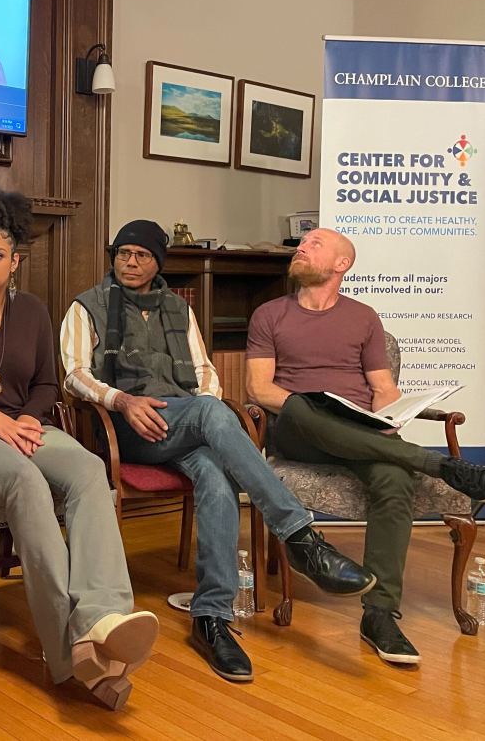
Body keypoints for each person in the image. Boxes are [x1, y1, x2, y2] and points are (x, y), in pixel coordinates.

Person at [60, 220, 375, 682]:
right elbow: (73, 374)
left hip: (182, 421)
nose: (130, 262)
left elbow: (205, 371)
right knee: (212, 415)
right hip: (128, 427)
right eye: (123, 253)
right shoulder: (86, 306)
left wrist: (203, 403)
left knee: (214, 469)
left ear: (157, 262)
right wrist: (122, 401)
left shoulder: (177, 308)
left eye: (141, 255)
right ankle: (300, 537)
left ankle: (212, 617)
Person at [0, 185, 158, 711]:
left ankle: (101, 619)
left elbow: (46, 384)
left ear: (15, 261)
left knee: (88, 469)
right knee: (25, 482)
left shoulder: (34, 312)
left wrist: (26, 419)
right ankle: (69, 653)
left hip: (21, 427)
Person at [245, 227, 485, 667]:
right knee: (305, 407)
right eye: (301, 243)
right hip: (298, 430)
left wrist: (392, 417)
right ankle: (445, 467)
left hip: (359, 432)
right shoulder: (269, 314)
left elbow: (382, 388)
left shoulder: (364, 317)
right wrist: (310, 407)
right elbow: (259, 388)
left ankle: (380, 615)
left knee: (395, 477)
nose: (301, 248)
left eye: (313, 244)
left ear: (340, 264)